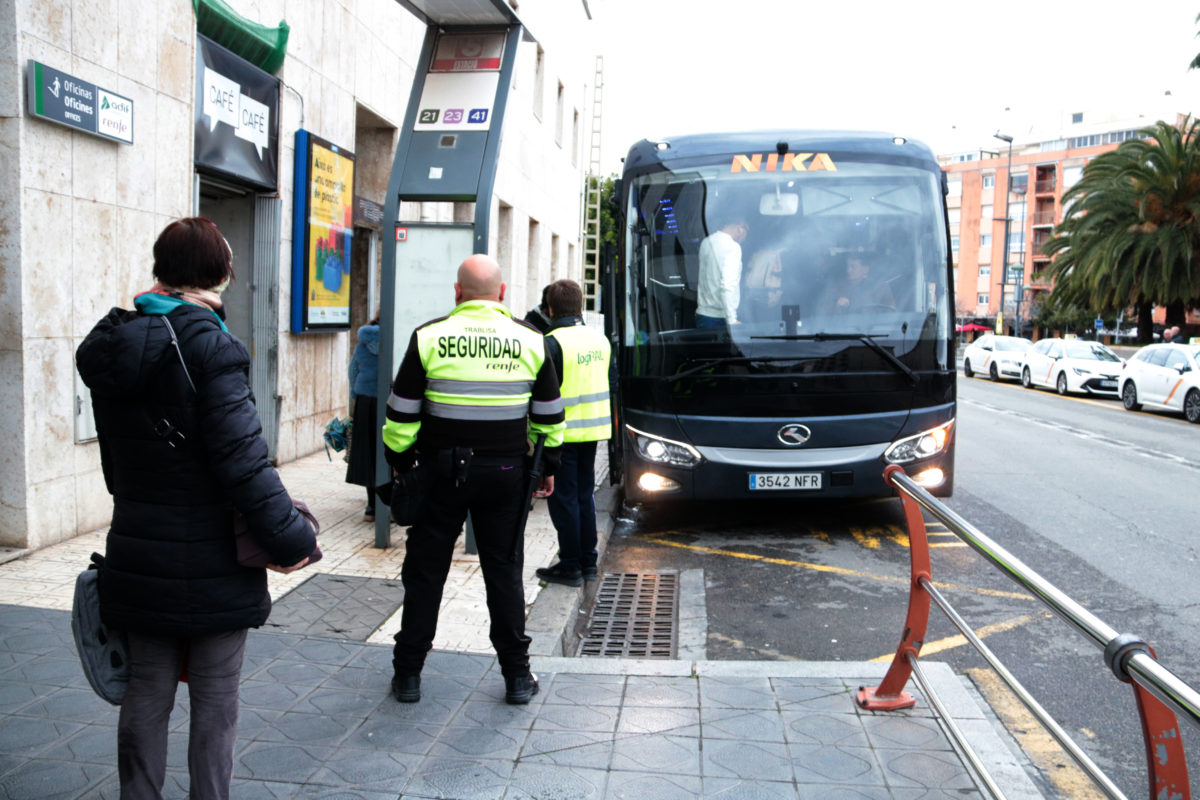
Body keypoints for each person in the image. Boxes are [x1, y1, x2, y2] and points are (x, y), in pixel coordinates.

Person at [75, 217, 317, 800]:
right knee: (214, 704)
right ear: (221, 274)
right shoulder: (212, 347)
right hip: (214, 559)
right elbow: (243, 463)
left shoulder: (112, 345)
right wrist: (291, 537)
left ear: (162, 269)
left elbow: (117, 464)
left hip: (137, 546)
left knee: (146, 692)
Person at [382, 254, 565, 705]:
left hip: (440, 473)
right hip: (505, 474)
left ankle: (408, 675)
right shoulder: (531, 340)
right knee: (503, 572)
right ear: (502, 293)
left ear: (458, 292)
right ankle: (517, 677)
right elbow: (549, 417)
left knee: (425, 573)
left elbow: (400, 415)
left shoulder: (429, 336)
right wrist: (548, 467)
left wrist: (403, 464)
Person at [535, 280, 611, 587]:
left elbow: (544, 396)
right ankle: (588, 562)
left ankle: (570, 565)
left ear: (551, 309)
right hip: (592, 432)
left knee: (563, 500)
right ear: (580, 306)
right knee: (583, 497)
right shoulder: (600, 341)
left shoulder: (552, 343)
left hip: (561, 435)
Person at [346, 315, 382, 521]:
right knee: (389, 452)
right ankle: (390, 505)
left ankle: (371, 507)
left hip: (365, 402)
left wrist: (355, 394)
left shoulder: (364, 343)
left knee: (368, 452)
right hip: (389, 401)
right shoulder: (397, 338)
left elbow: (353, 371)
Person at [696, 214, 749, 327]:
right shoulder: (733, 247)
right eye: (746, 232)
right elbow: (728, 285)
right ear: (740, 228)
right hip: (721, 318)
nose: (745, 238)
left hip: (703, 314)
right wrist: (732, 319)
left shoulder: (706, 242)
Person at [826, 252, 895, 311]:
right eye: (847, 266)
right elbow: (824, 310)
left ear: (865, 269)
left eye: (853, 267)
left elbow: (891, 312)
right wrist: (837, 305)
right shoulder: (839, 287)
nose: (848, 270)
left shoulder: (880, 287)